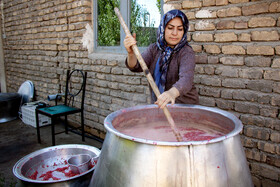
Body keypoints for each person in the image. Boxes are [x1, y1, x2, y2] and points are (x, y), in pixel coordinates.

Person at [124, 9, 199, 109]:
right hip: (161, 105)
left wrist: (171, 93)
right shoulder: (154, 49)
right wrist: (131, 53)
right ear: (163, 28)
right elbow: (136, 66)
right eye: (170, 28)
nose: (175, 33)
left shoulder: (186, 52)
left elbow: (186, 80)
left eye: (180, 29)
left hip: (184, 107)